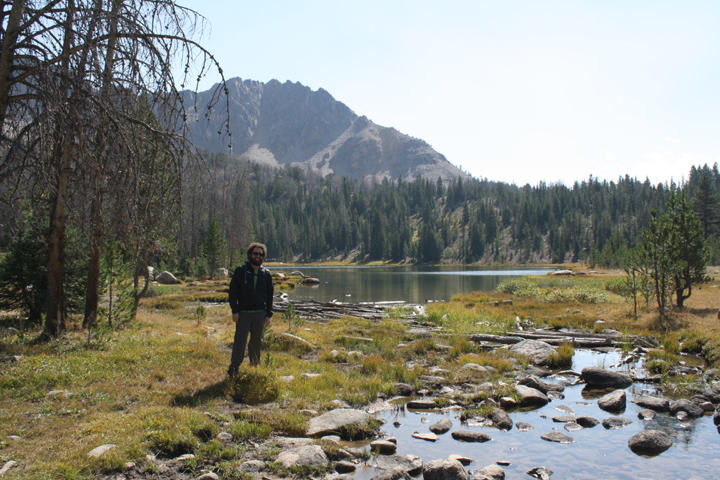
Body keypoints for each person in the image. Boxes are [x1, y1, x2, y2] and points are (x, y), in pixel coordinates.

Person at [227, 242, 274, 377]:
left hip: (260, 314)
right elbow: (233, 292)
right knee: (239, 342)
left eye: (260, 254)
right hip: (243, 314)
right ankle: (234, 369)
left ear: (263, 257)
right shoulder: (241, 271)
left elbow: (270, 296)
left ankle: (254, 368)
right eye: (255, 254)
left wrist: (268, 314)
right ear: (250, 255)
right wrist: (235, 311)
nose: (257, 256)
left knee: (256, 342)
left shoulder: (266, 274)